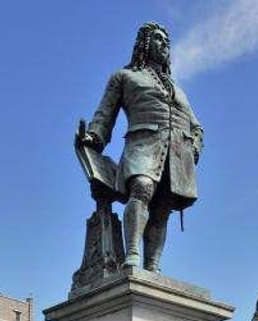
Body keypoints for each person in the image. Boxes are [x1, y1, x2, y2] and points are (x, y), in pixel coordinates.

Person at [81, 21, 204, 272]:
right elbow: (105, 112)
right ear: (145, 43)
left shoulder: (178, 90)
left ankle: (152, 266)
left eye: (167, 41)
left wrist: (194, 147)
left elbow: (196, 127)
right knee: (142, 187)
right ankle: (133, 254)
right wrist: (94, 136)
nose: (164, 44)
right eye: (158, 39)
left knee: (163, 208)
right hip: (144, 144)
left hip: (177, 155)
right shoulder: (125, 76)